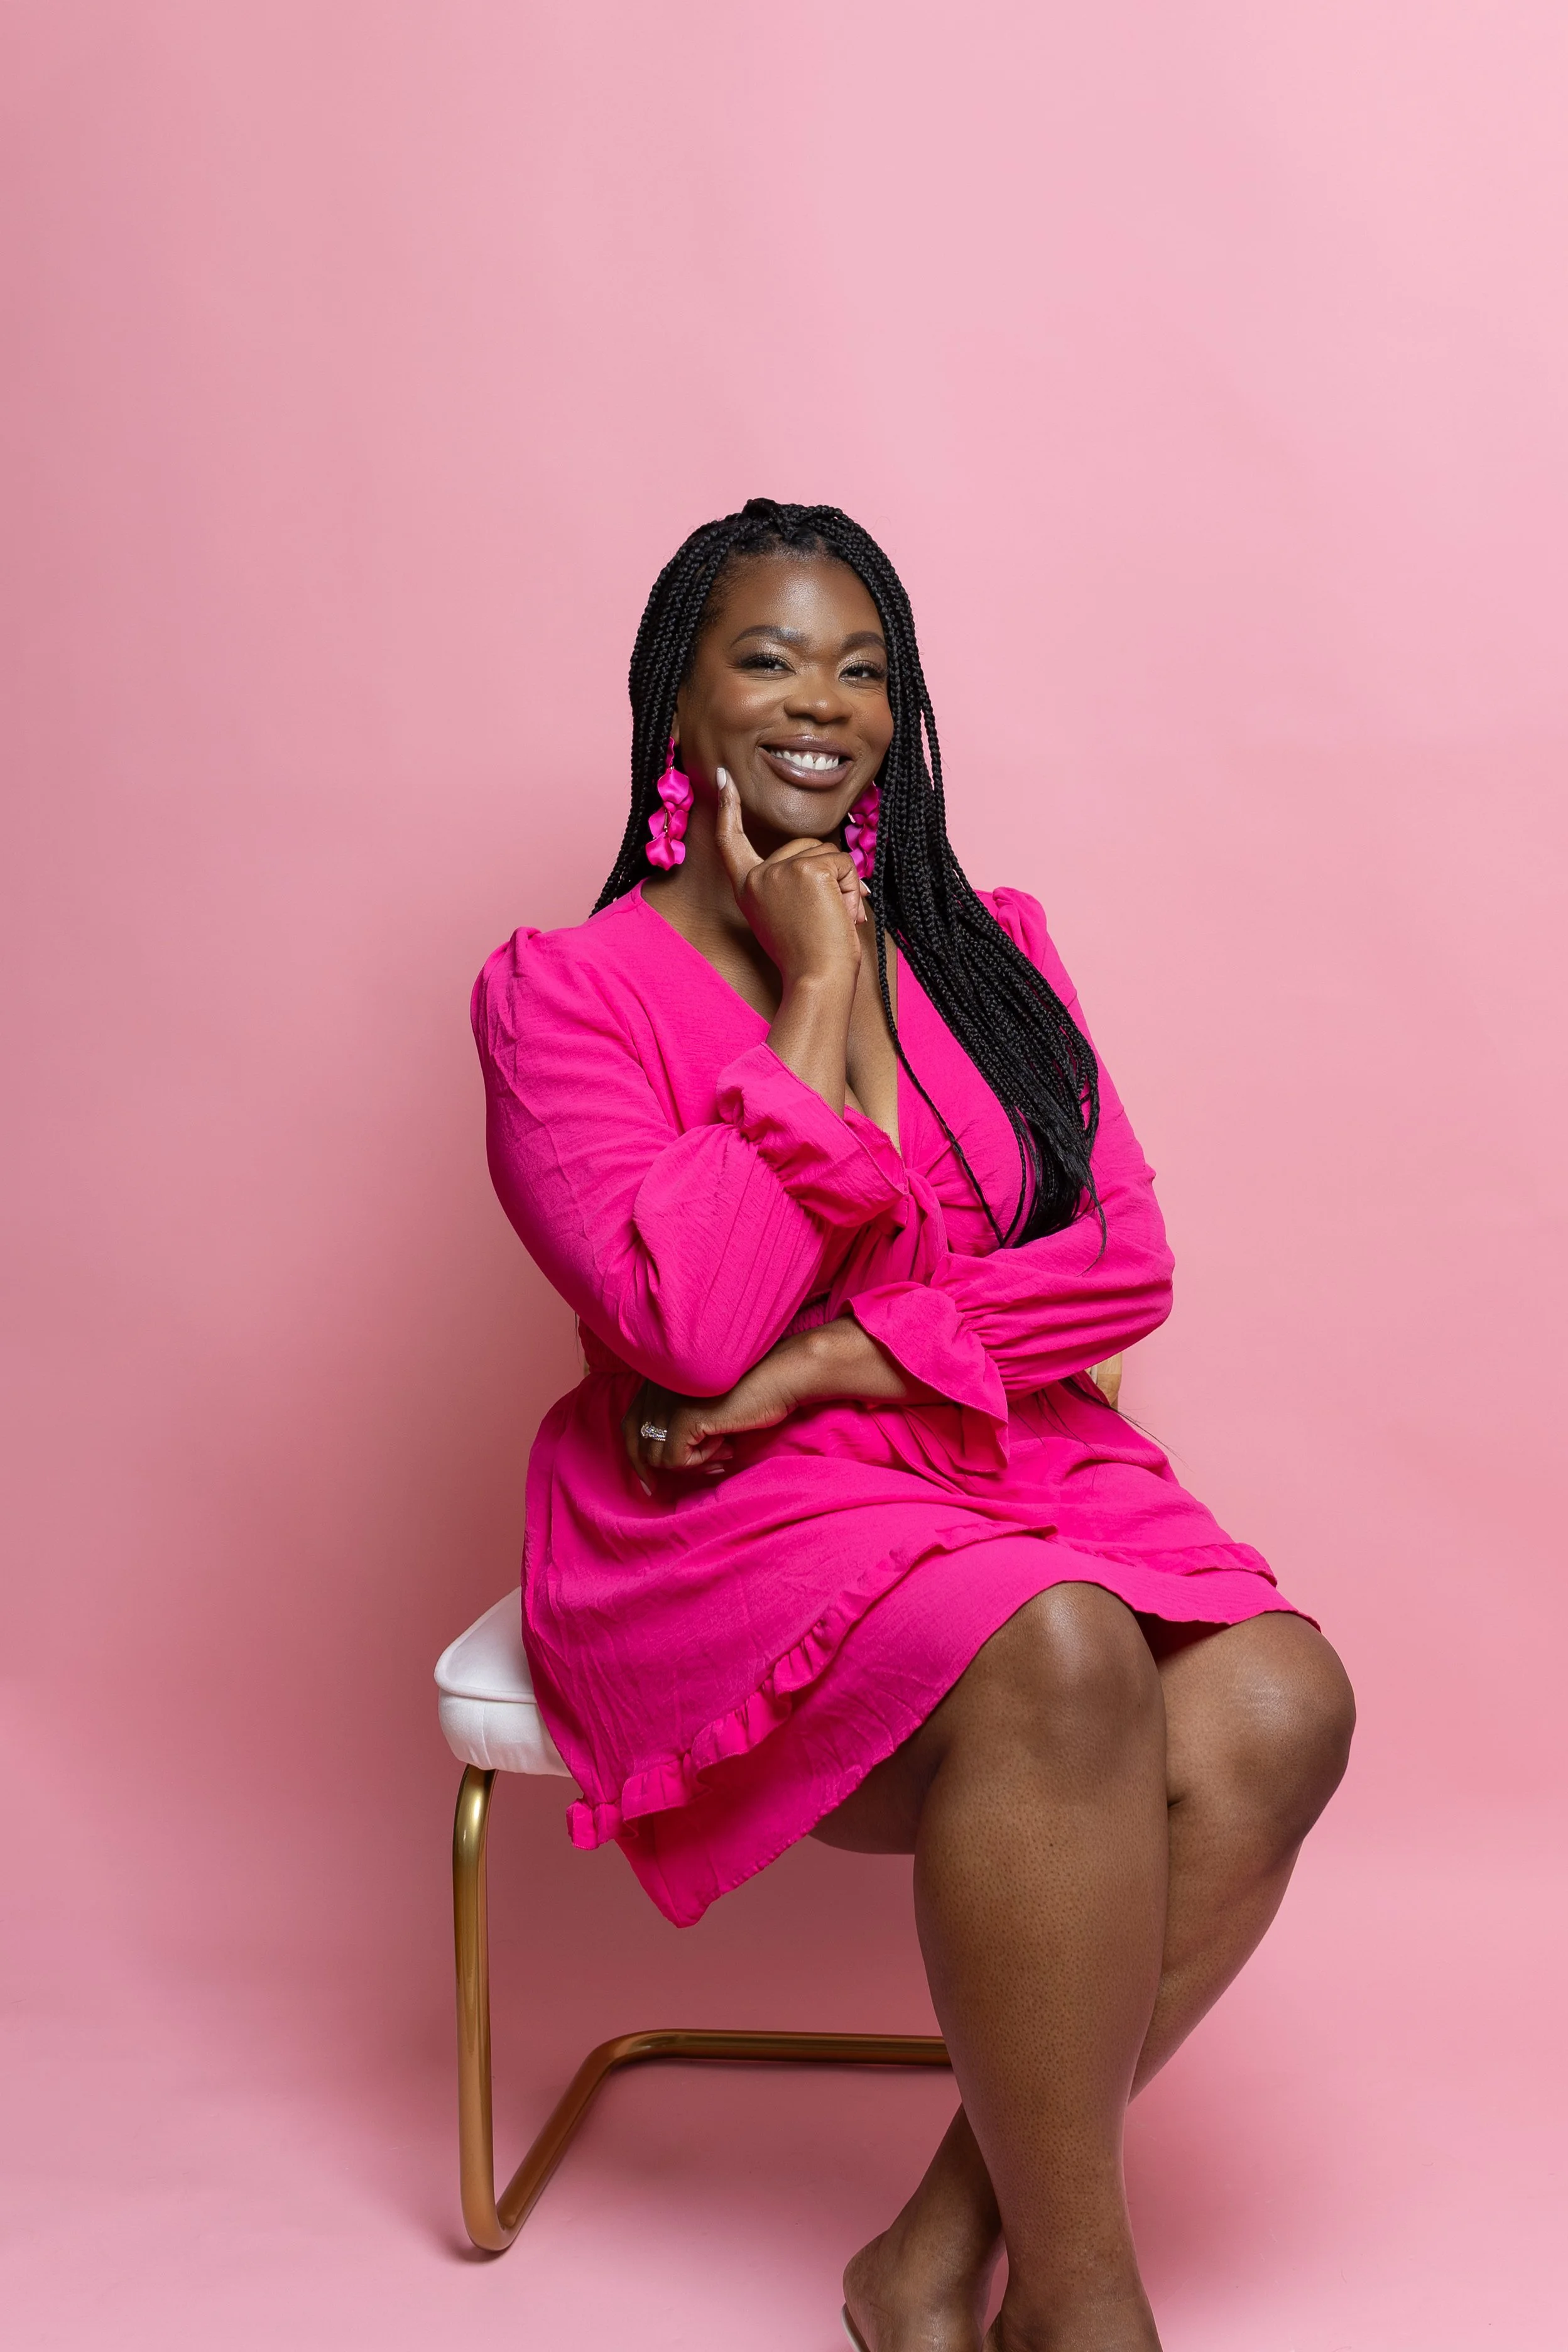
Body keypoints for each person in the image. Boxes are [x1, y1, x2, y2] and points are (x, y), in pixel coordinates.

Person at [471, 499, 1355, 2352]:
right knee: (1062, 1646)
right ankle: (1089, 2318)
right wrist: (807, 1002)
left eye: (865, 669)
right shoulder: (563, 995)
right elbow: (690, 1332)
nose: (825, 704)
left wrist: (835, 1359)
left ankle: (937, 2257)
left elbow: (1122, 1262)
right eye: (771, 657)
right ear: (679, 705)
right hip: (723, 1520)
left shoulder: (986, 943)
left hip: (1000, 1463)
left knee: (1283, 1701)